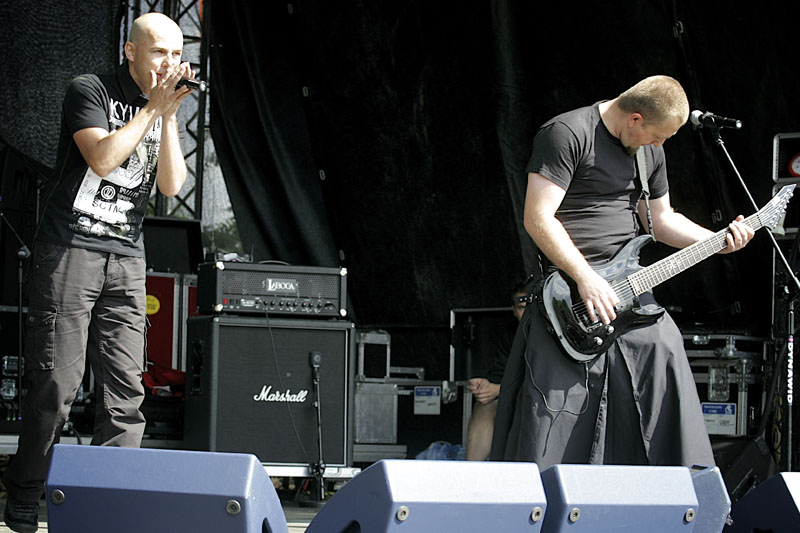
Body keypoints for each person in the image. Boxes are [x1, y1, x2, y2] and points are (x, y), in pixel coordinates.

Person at [490, 75, 754, 468]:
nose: (659, 145)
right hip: (570, 294)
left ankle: (674, 498)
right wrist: (585, 276)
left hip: (628, 290)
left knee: (663, 352)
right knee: (556, 416)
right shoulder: (565, 133)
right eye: (657, 136)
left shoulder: (648, 151)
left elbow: (660, 221)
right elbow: (537, 217)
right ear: (634, 118)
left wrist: (717, 240)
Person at [2, 12, 194, 532]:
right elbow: (104, 159)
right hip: (71, 247)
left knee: (126, 389)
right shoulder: (88, 90)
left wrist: (169, 118)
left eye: (177, 55)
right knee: (56, 385)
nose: (169, 65)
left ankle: (110, 502)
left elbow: (173, 187)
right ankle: (24, 492)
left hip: (127, 255)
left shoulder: (162, 106)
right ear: (131, 52)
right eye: (159, 53)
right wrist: (151, 108)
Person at [465, 279, 530, 461]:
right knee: (486, 406)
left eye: (530, 306)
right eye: (521, 307)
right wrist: (486, 387)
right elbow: (499, 376)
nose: (526, 313)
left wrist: (498, 390)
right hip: (514, 399)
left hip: (546, 404)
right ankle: (471, 476)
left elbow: (547, 383)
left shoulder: (552, 335)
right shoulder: (512, 336)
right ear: (513, 310)